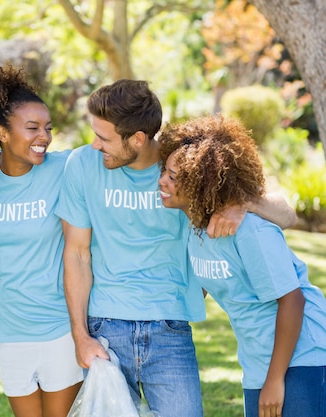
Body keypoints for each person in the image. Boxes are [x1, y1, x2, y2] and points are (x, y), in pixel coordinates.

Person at [54, 79, 297, 417]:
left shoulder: (184, 167)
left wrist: (243, 203)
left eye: (104, 137)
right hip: (105, 328)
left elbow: (287, 214)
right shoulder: (82, 165)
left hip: (170, 328)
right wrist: (81, 336)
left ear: (137, 139)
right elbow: (77, 253)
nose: (95, 145)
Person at [158, 114, 326, 417]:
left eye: (173, 176)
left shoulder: (250, 231)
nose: (162, 181)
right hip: (258, 361)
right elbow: (203, 290)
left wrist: (275, 380)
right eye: (164, 171)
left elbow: (293, 300)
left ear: (200, 182)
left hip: (302, 356)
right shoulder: (195, 228)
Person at [0, 64, 83, 416]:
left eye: (48, 128)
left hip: (60, 329)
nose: (45, 137)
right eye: (33, 128)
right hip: (8, 331)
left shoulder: (65, 168)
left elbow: (120, 148)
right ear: (2, 133)